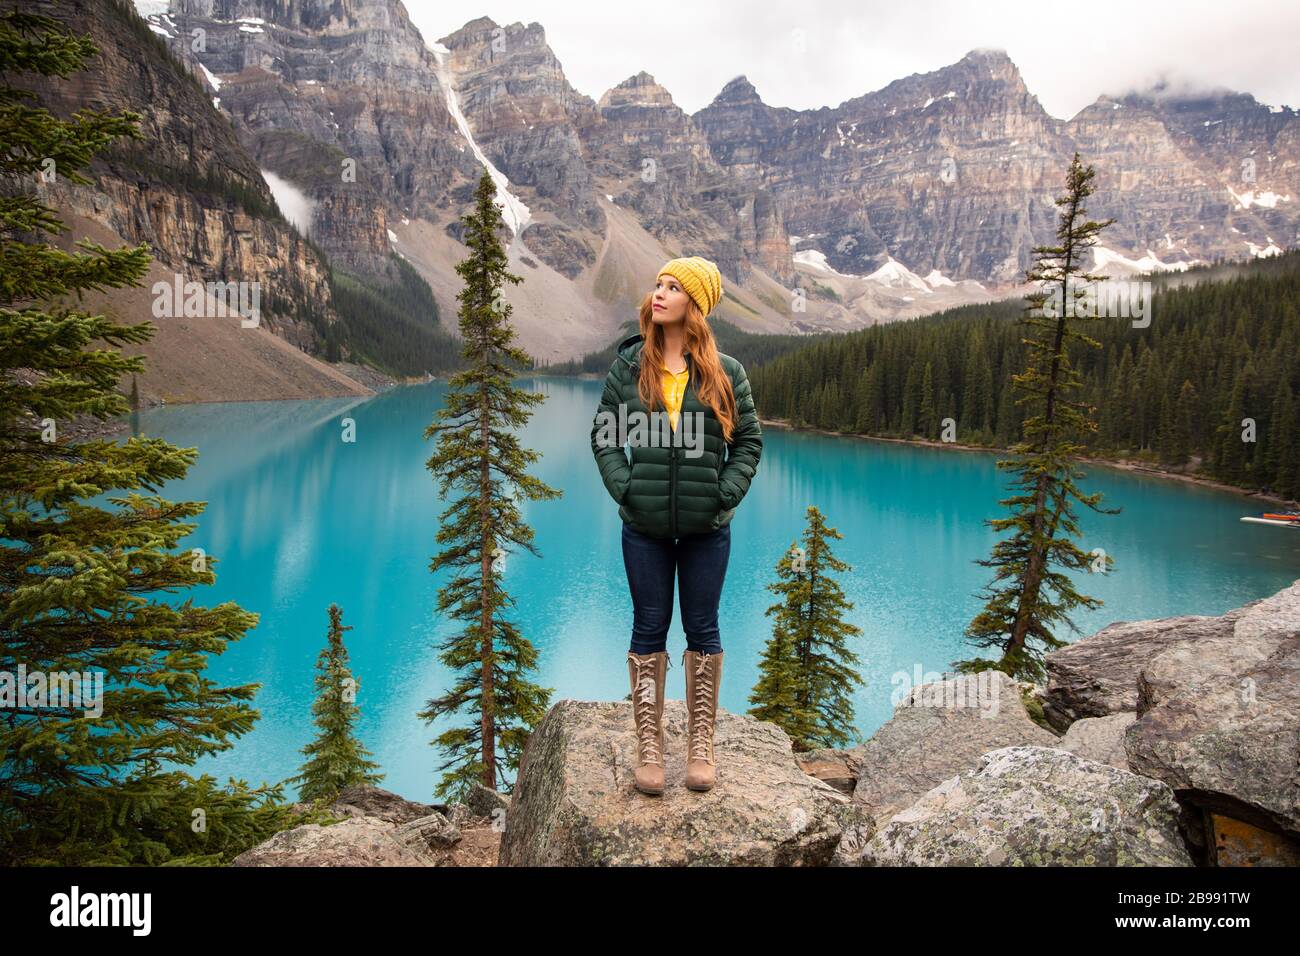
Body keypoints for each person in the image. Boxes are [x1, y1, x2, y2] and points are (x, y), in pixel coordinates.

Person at [589, 256, 763, 795]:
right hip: (644, 529)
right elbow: (604, 436)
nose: (659, 293)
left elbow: (749, 444)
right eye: (658, 283)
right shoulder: (629, 368)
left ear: (697, 303)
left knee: (703, 630)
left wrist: (723, 494)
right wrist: (627, 488)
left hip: (706, 529)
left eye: (673, 287)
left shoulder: (725, 373)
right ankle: (649, 746)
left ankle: (701, 747)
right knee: (648, 629)